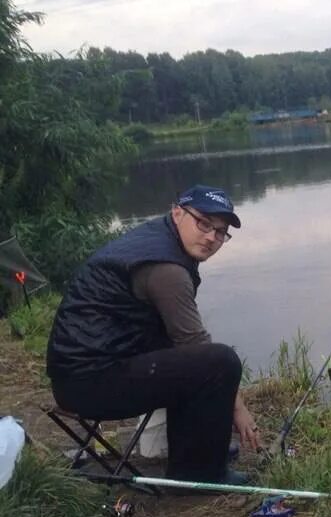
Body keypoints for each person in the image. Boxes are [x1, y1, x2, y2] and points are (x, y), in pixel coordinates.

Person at [46, 185, 260, 484]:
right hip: (90, 384)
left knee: (188, 360)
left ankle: (197, 451)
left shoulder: (155, 238)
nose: (212, 237)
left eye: (221, 231)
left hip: (78, 376)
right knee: (220, 362)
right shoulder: (166, 269)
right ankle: (198, 475)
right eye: (204, 224)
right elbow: (194, 342)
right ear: (177, 212)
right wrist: (239, 410)